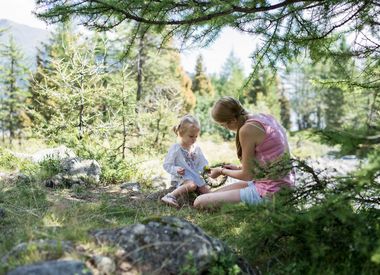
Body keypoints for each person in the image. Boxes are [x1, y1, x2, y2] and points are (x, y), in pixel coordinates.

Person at [193, 96, 295, 208]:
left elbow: (247, 175)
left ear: (232, 120)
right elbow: (265, 163)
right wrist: (238, 169)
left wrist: (221, 171)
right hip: (279, 186)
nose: (225, 128)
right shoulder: (264, 117)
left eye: (223, 125)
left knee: (199, 202)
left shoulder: (247, 130)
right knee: (211, 196)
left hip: (271, 192)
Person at [161, 115, 210, 208]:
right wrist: (176, 169)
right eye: (191, 136)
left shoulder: (196, 148)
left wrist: (206, 169)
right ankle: (170, 196)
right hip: (182, 176)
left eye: (196, 136)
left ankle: (212, 204)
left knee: (206, 190)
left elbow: (202, 162)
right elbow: (166, 165)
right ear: (181, 133)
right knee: (192, 185)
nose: (194, 139)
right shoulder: (176, 148)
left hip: (195, 175)